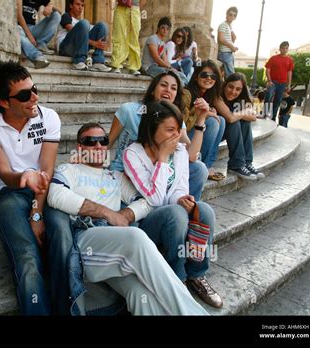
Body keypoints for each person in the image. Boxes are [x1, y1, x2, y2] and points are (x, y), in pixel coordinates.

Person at [47, 122, 209, 315]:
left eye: (103, 141)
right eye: (90, 141)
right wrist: (108, 213)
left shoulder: (115, 176)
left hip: (114, 247)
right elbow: (55, 195)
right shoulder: (68, 170)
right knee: (136, 237)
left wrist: (125, 214)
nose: (98, 146)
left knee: (141, 294)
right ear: (80, 147)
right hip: (86, 240)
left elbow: (146, 202)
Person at [0, 61, 73, 315]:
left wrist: (37, 213)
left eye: (34, 89)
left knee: (62, 237)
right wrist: (24, 177)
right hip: (9, 193)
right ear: (4, 102)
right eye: (25, 95)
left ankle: (66, 310)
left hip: (46, 188)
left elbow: (46, 171)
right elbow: (5, 174)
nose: (35, 97)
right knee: (27, 256)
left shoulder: (48, 116)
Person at [123, 101, 223, 308]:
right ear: (152, 128)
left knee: (203, 211)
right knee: (176, 214)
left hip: (171, 212)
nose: (176, 136)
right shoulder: (133, 153)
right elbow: (154, 199)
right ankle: (177, 279)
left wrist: (181, 198)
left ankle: (196, 274)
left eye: (178, 130)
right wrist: (162, 158)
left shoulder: (179, 151)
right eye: (169, 130)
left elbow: (179, 186)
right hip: (148, 222)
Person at [108, 70, 209, 201]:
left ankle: (187, 211)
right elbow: (108, 143)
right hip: (127, 171)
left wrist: (201, 119)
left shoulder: (174, 119)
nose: (168, 90)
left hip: (159, 167)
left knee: (199, 169)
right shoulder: (128, 110)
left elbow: (191, 155)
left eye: (173, 88)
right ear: (152, 90)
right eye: (163, 85)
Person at [185, 60, 226, 181]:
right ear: (196, 77)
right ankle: (204, 166)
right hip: (182, 137)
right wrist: (205, 114)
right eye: (204, 75)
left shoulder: (208, 95)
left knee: (221, 120)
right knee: (213, 122)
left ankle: (208, 164)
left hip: (195, 133)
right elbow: (183, 124)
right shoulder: (186, 93)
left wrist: (208, 112)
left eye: (213, 76)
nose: (209, 78)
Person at [221, 72, 265, 180]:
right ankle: (236, 164)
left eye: (238, 89)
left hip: (230, 132)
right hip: (215, 132)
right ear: (225, 85)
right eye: (230, 87)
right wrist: (244, 112)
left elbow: (253, 117)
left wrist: (240, 114)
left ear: (242, 90)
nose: (233, 91)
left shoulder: (241, 100)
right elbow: (230, 118)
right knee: (234, 122)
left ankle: (246, 162)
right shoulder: (218, 97)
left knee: (244, 122)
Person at [56, 0, 112, 72]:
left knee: (102, 26)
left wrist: (99, 41)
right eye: (78, 4)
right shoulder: (66, 16)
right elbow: (73, 31)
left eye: (82, 5)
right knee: (84, 23)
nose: (80, 8)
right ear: (71, 5)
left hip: (78, 48)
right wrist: (94, 43)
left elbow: (94, 32)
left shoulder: (81, 23)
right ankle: (78, 61)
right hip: (65, 48)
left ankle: (98, 61)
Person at [141, 17, 190, 85]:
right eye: (163, 27)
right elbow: (156, 58)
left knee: (180, 74)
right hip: (148, 68)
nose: (165, 30)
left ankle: (188, 89)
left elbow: (165, 60)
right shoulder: (152, 38)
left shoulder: (162, 43)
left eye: (167, 29)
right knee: (172, 75)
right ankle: (182, 91)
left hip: (156, 67)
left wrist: (172, 68)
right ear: (158, 28)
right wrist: (169, 68)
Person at [17, 0, 61, 68]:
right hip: (20, 27)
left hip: (33, 29)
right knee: (18, 31)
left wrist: (50, 6)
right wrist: (29, 36)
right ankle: (37, 57)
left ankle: (41, 43)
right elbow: (19, 15)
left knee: (56, 15)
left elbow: (60, 12)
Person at [110, 0, 146, 75]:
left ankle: (134, 66)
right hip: (121, 7)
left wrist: (136, 7)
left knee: (134, 38)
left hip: (135, 8)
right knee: (119, 36)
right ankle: (117, 64)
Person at [264, 41, 294, 121]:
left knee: (278, 100)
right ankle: (265, 114)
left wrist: (289, 84)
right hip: (273, 81)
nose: (284, 50)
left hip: (282, 83)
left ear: (288, 49)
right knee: (269, 96)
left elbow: (289, 72)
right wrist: (269, 80)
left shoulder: (289, 60)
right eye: (283, 48)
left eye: (286, 48)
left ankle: (273, 118)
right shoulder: (273, 58)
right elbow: (268, 69)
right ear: (280, 49)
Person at [217, 6, 238, 77]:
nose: (232, 17)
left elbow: (233, 38)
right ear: (226, 15)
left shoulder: (228, 26)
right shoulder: (223, 25)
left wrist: (232, 31)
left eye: (234, 15)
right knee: (231, 76)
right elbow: (220, 39)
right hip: (225, 53)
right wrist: (232, 47)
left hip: (229, 53)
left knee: (222, 75)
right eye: (230, 14)